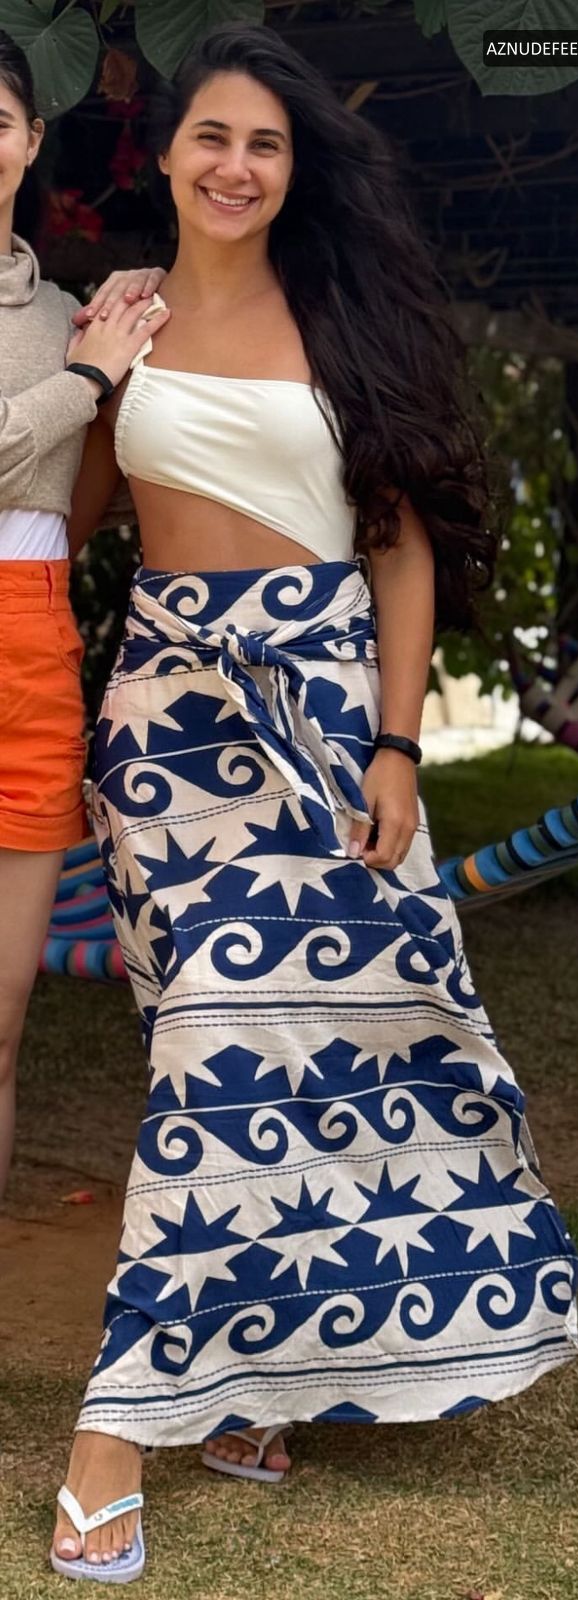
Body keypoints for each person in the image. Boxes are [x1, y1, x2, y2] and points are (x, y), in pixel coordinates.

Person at [50, 24, 578, 1582]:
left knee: (326, 1047)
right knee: (215, 1045)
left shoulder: (343, 317)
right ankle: (154, 1420)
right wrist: (89, 376)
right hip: (169, 729)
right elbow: (76, 518)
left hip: (331, 714)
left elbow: (398, 549)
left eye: (265, 145)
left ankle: (210, 1403)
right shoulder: (124, 318)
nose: (235, 166)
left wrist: (397, 748)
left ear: (294, 171)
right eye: (212, 138)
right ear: (166, 155)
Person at [0, 32, 170, 1199]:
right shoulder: (81, 357)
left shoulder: (71, 316)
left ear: (29, 141)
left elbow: (87, 498)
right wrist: (87, 383)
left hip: (34, 644)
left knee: (1, 1027)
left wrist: (146, 295)